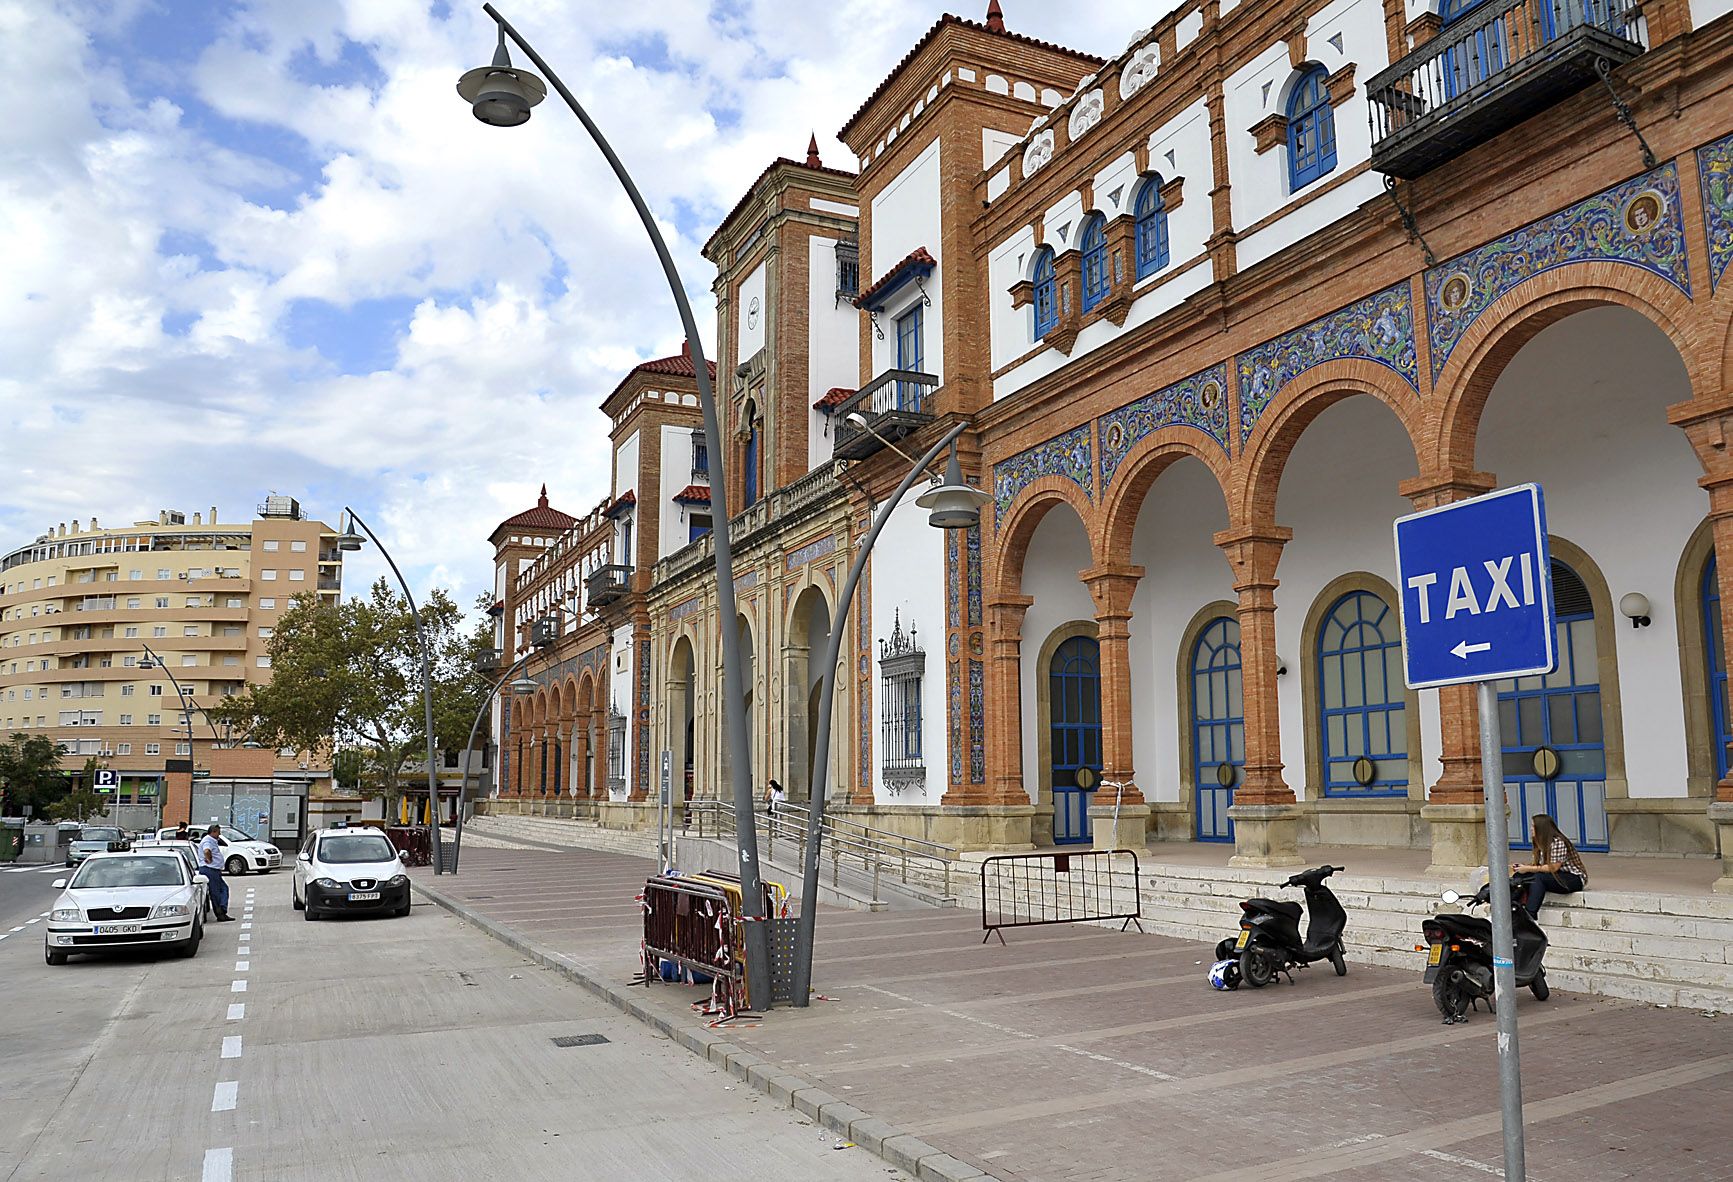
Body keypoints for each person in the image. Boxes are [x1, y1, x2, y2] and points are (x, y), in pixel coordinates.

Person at [1512, 813, 1588, 917]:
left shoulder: (1558, 842)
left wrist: (1528, 868)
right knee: (1519, 877)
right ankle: (1514, 908)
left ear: (1541, 828)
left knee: (1538, 878)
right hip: (1554, 875)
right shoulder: (1539, 842)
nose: (1531, 829)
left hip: (1573, 878)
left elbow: (1553, 867)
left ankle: (1530, 915)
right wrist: (1523, 868)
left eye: (1533, 826)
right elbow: (1538, 865)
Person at [198, 823, 233, 921]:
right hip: (210, 870)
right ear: (213, 832)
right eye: (218, 832)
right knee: (217, 892)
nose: (219, 834)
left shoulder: (212, 840)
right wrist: (209, 859)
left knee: (222, 889)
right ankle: (220, 912)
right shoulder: (208, 840)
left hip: (213, 870)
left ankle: (222, 910)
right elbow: (206, 851)